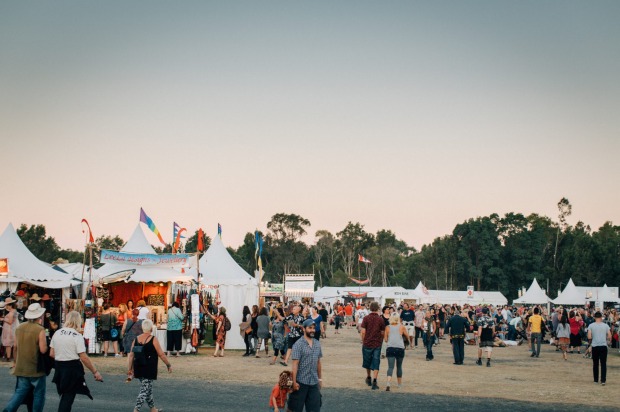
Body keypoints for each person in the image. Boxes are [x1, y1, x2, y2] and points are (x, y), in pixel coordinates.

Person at [50, 310, 103, 411]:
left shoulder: (57, 333)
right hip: (72, 368)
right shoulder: (77, 336)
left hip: (59, 367)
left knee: (64, 395)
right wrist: (95, 371)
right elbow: (83, 357)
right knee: (68, 397)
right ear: (78, 321)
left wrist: (62, 355)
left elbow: (52, 353)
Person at [3, 303, 48, 412]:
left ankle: (8, 410)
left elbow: (15, 347)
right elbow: (43, 349)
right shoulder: (40, 330)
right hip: (35, 367)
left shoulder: (20, 327)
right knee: (38, 394)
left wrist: (15, 361)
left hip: (21, 366)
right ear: (39, 315)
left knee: (20, 392)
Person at [127, 319, 172, 412]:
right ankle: (136, 409)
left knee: (148, 389)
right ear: (151, 328)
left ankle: (153, 409)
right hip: (149, 368)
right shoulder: (153, 339)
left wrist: (130, 369)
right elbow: (161, 354)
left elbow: (131, 355)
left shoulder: (136, 339)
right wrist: (168, 364)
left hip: (138, 367)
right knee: (145, 390)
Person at [287, 318, 323, 412]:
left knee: (314, 409)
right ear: (304, 329)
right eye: (310, 328)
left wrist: (320, 379)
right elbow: (295, 365)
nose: (312, 330)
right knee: (295, 409)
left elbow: (318, 362)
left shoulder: (317, 344)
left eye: (313, 328)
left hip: (314, 383)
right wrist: (294, 383)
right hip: (300, 383)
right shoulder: (298, 345)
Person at [360, 301, 385, 390]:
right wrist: (380, 340)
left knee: (367, 361)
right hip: (377, 344)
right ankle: (375, 380)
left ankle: (369, 377)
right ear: (378, 308)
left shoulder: (366, 318)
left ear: (370, 308)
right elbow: (382, 332)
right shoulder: (380, 319)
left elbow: (363, 332)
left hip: (367, 343)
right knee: (376, 361)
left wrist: (363, 340)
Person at [384, 313, 407, 391]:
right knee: (399, 366)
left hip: (390, 348)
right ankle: (399, 384)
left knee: (390, 367)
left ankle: (388, 382)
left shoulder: (387, 327)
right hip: (400, 348)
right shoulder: (402, 327)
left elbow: (386, 339)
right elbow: (407, 336)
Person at [588, 311, 611, 385]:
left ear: (594, 318)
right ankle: (603, 380)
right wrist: (606, 339)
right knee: (603, 363)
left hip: (595, 345)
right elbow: (610, 336)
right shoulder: (606, 326)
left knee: (595, 363)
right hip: (603, 345)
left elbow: (589, 336)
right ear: (601, 318)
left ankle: (595, 380)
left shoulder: (591, 325)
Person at [1, 297, 17, 362]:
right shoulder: (13, 311)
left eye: (7, 305)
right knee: (9, 343)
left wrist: (3, 319)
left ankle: (8, 357)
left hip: (9, 328)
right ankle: (9, 356)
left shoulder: (12, 312)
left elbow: (10, 322)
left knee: (8, 343)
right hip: (9, 328)